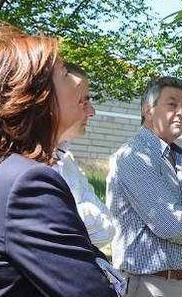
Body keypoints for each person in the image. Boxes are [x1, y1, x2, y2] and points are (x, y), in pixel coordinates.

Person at [0, 24, 119, 297]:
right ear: (33, 96)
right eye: (63, 72)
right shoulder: (28, 183)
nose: (76, 80)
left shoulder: (2, 171)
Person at [106, 76, 182, 297]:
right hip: (150, 285)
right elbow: (172, 226)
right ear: (147, 110)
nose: (181, 112)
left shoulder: (179, 159)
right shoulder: (134, 156)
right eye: (172, 104)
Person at [52, 64, 115, 248]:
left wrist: (73, 213)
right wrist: (85, 211)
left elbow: (107, 231)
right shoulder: (27, 168)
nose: (92, 112)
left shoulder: (67, 160)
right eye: (83, 101)